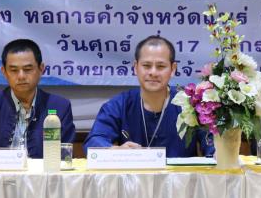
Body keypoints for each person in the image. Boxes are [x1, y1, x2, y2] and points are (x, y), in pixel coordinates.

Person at [84, 35, 214, 157]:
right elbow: (94, 142)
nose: (153, 72)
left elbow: (212, 145)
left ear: (173, 69)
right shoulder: (119, 105)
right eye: (146, 66)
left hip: (182, 175)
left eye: (161, 66)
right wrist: (115, 151)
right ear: (136, 67)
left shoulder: (191, 104)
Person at [0, 38, 75, 158]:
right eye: (14, 70)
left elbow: (64, 156)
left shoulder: (59, 107)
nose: (21, 76)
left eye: (27, 69)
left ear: (41, 69)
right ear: (4, 72)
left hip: (45, 170)